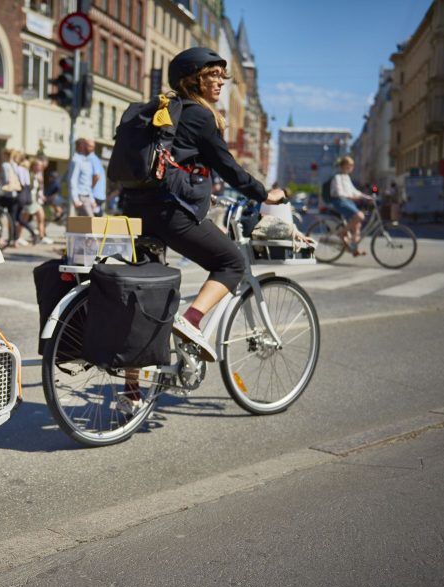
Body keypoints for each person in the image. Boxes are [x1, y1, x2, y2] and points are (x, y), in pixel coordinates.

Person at [121, 47, 286, 367]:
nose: (221, 82)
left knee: (146, 299)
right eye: (213, 75)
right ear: (192, 80)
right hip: (169, 214)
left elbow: (174, 163)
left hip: (135, 210)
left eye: (222, 75)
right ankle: (192, 320)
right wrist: (264, 194)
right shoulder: (198, 115)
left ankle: (132, 392)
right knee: (232, 262)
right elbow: (227, 166)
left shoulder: (166, 112)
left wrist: (198, 191)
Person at [329, 156, 372, 256]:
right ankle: (342, 232)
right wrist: (352, 197)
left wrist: (366, 197)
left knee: (357, 225)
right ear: (343, 166)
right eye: (349, 165)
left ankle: (354, 249)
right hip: (340, 201)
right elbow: (339, 193)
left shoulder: (347, 177)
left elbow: (354, 191)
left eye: (352, 166)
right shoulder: (337, 177)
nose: (351, 167)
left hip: (348, 202)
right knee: (360, 216)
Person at [25, 158, 54, 244]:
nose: (39, 167)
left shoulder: (39, 175)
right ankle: (17, 237)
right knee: (23, 219)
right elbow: (29, 188)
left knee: (41, 218)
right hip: (30, 199)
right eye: (37, 165)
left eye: (40, 166)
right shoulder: (30, 175)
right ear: (33, 166)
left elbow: (39, 189)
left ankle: (42, 237)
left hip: (36, 200)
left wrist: (42, 196)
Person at [68, 139, 96, 216]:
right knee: (91, 222)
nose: (91, 148)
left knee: (84, 225)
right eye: (88, 146)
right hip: (81, 197)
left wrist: (92, 199)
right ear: (81, 147)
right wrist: (75, 199)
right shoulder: (76, 160)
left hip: (87, 196)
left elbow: (87, 183)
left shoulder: (87, 161)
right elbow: (73, 180)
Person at [86, 138, 107, 215]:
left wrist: (89, 188)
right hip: (98, 195)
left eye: (86, 146)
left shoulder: (91, 159)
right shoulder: (95, 159)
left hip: (94, 195)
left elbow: (96, 176)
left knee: (91, 222)